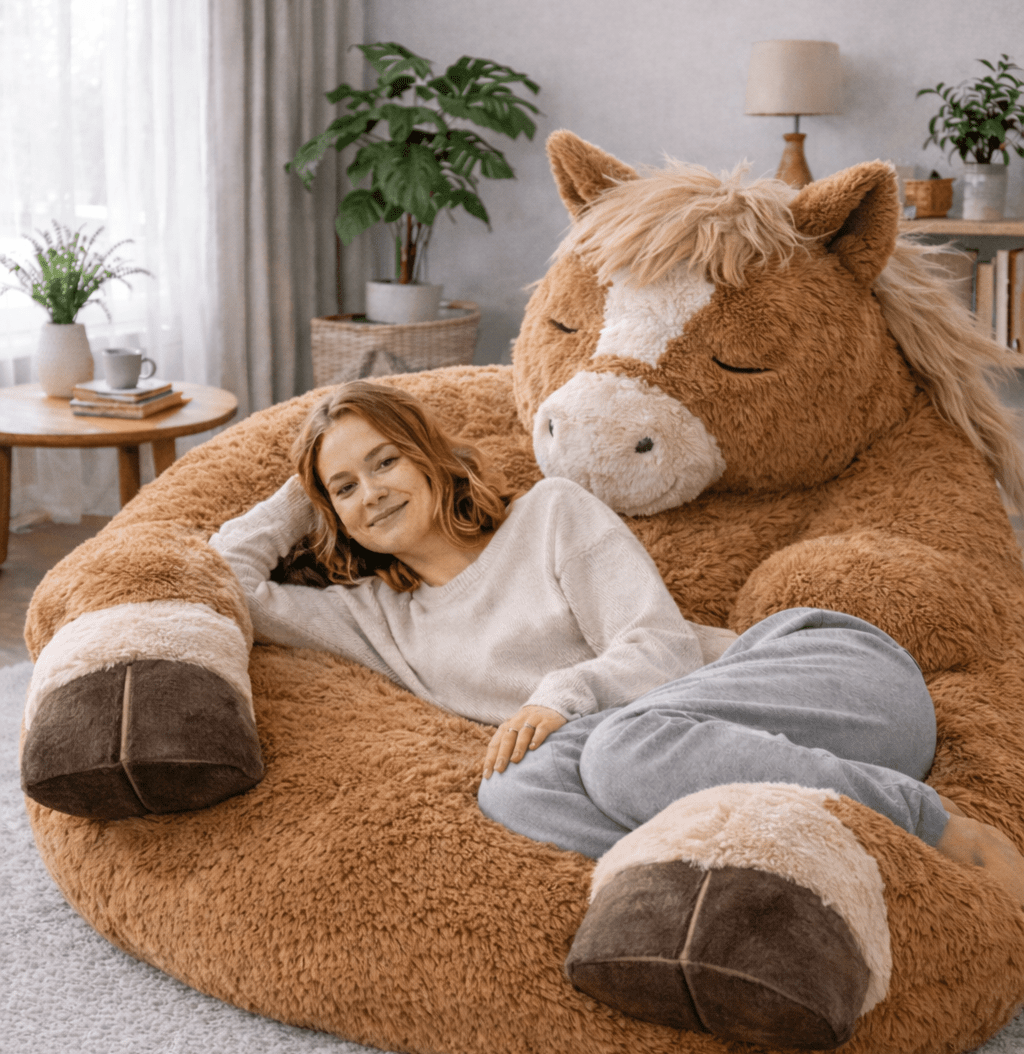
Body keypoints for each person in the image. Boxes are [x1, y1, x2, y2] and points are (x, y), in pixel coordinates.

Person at [209, 380, 1024, 907]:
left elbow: (659, 649)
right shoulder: (374, 620)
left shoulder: (551, 512)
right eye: (345, 487)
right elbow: (228, 581)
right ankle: (796, 863)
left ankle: (940, 830)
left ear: (431, 458)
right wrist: (302, 482)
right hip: (677, 756)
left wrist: (557, 697)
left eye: (385, 460)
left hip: (820, 678)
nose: (371, 492)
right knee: (512, 793)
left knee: (619, 750)